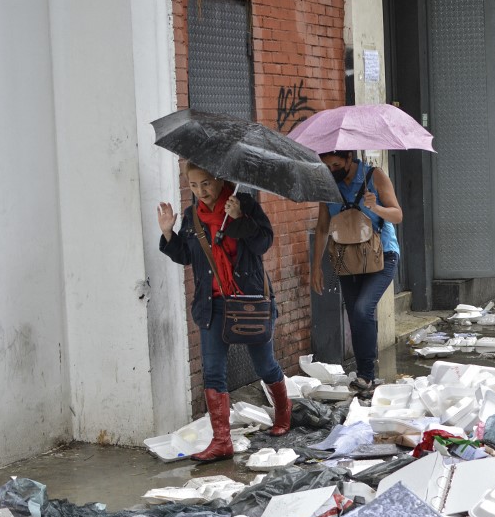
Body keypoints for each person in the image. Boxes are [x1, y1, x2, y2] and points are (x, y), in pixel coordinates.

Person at [157, 163, 292, 463]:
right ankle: (221, 441)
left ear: (219, 180)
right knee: (213, 371)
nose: (200, 191)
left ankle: (283, 413)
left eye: (205, 183)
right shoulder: (193, 216)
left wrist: (240, 219)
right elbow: (186, 256)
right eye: (193, 186)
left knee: (264, 365)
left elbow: (263, 243)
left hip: (249, 299)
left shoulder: (244, 205)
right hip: (212, 304)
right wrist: (168, 234)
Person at [313, 151, 403, 393]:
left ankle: (366, 375)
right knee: (356, 315)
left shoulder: (375, 177)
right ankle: (367, 377)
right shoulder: (327, 186)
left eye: (336, 164)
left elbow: (398, 214)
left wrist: (377, 208)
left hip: (382, 257)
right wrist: (315, 269)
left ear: (349, 157)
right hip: (346, 260)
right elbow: (322, 228)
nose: (332, 170)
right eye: (326, 166)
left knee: (364, 310)